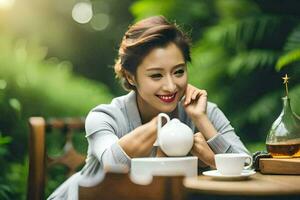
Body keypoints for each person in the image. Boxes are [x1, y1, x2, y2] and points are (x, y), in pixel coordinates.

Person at [48, 15, 250, 200]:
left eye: (178, 72)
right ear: (130, 76)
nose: (171, 86)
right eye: (156, 75)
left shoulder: (202, 111)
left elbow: (247, 165)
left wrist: (204, 128)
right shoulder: (105, 117)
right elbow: (113, 165)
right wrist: (163, 125)